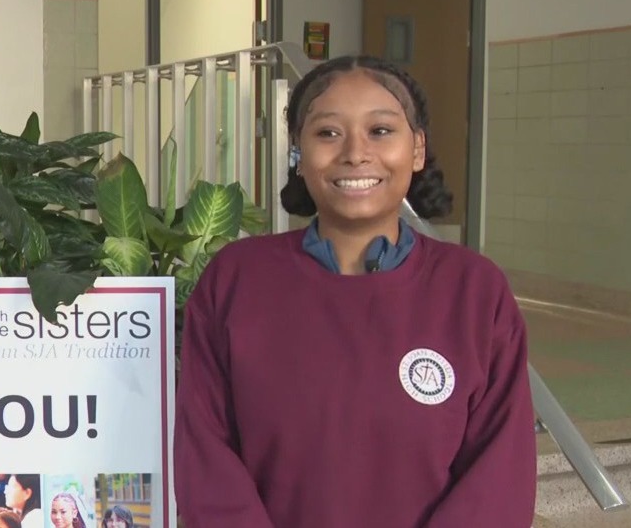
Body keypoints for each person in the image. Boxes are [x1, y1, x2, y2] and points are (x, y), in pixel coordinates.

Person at [173, 54, 537, 527]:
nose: (355, 153)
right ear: (298, 152)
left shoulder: (474, 291)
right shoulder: (235, 280)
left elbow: (500, 472)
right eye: (328, 133)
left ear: (417, 149)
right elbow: (206, 453)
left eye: (380, 131)